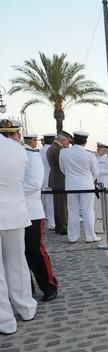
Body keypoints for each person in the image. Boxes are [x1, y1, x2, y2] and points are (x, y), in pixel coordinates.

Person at [0, 119, 37, 335]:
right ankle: (26, 307)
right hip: (15, 211)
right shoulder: (19, 150)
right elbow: (20, 180)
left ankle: (4, 320)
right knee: (17, 262)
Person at [23, 133, 58, 303]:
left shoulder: (31, 155)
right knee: (16, 256)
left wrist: (7, 190)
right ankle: (25, 289)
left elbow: (33, 184)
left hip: (30, 212)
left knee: (35, 252)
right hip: (9, 212)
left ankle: (49, 286)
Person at [59, 131, 100, 243]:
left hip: (71, 185)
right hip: (86, 185)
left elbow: (62, 169)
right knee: (88, 210)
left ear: (73, 140)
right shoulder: (89, 155)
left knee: (72, 210)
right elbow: (96, 172)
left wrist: (71, 177)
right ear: (85, 142)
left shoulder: (63, 152)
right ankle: (90, 236)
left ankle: (73, 236)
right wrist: (89, 181)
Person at [47, 130, 72, 235]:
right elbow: (62, 165)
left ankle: (59, 226)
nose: (68, 144)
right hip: (60, 180)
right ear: (63, 140)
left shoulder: (53, 147)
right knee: (61, 206)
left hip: (56, 180)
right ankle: (63, 226)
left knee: (58, 205)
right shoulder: (57, 149)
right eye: (68, 142)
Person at [39, 134, 55, 230]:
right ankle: (52, 223)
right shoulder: (52, 151)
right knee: (50, 202)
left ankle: (44, 220)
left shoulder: (39, 151)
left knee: (43, 201)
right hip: (51, 179)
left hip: (42, 179)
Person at [96, 142, 108, 219]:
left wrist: (99, 172)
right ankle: (104, 214)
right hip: (100, 182)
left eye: (99, 149)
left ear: (104, 150)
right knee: (102, 200)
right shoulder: (97, 158)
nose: (97, 150)